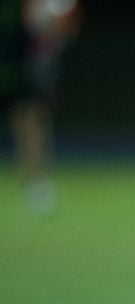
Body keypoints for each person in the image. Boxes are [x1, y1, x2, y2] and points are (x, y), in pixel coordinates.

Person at [0, 0, 80, 215]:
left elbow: (59, 29)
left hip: (27, 68)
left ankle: (36, 184)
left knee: (31, 123)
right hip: (12, 60)